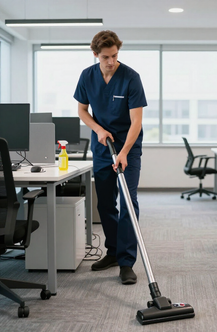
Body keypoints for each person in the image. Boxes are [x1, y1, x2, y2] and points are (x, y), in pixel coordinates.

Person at [74, 30, 147, 284]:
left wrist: (125, 152)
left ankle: (127, 262)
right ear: (95, 54)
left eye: (115, 55)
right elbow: (82, 110)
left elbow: (136, 121)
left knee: (128, 201)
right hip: (102, 146)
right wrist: (98, 129)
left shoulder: (131, 77)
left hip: (128, 146)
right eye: (106, 56)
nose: (111, 61)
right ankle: (113, 252)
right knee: (105, 202)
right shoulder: (87, 76)